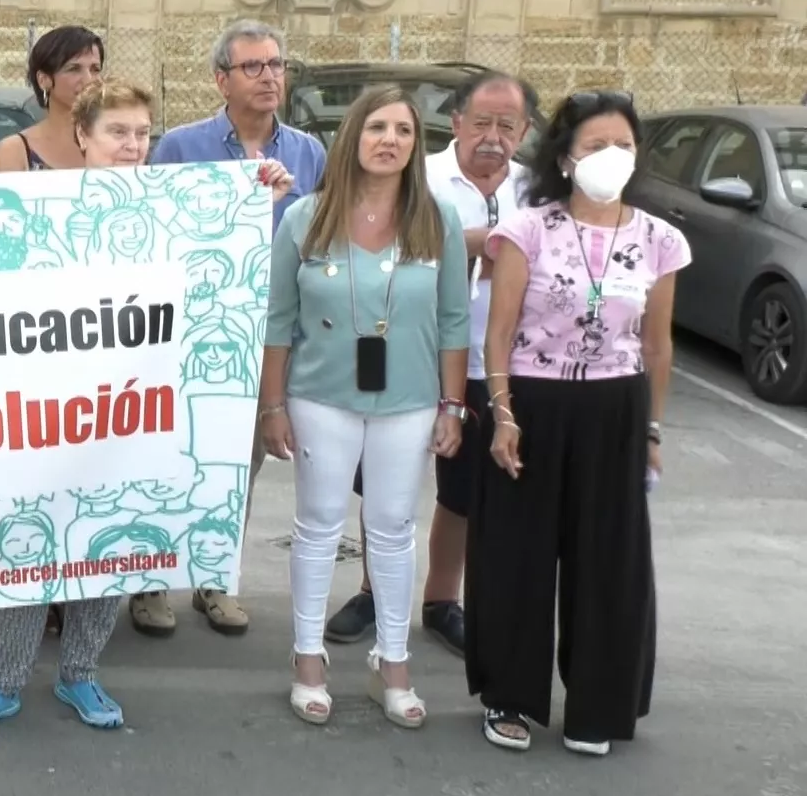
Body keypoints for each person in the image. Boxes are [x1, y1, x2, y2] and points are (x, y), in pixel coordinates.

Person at [0, 78, 292, 739]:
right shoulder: (35, 206)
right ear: (82, 136)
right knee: (28, 545)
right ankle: (1, 683)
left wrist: (257, 198)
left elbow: (223, 269)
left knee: (110, 544)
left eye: (142, 134)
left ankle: (80, 671)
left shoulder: (178, 209)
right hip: (43, 415)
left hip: (133, 415)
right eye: (117, 132)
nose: (132, 146)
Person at [471, 90, 687, 757]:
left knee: (608, 559)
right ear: (565, 157)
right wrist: (502, 415)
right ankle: (511, 697)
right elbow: (499, 336)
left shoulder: (660, 240)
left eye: (622, 145)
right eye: (595, 146)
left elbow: (657, 346)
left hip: (615, 409)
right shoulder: (528, 230)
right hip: (533, 403)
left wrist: (652, 431)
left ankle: (599, 702)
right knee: (518, 553)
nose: (610, 158)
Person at [258, 84, 470, 730]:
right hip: (321, 396)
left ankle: (394, 664)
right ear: (353, 138)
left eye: (404, 131)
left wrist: (453, 405)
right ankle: (308, 660)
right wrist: (273, 405)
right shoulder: (306, 218)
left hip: (406, 400)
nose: (390, 140)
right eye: (377, 127)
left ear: (417, 144)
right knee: (319, 524)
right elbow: (277, 319)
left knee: (393, 527)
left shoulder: (437, 219)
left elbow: (454, 318)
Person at [325, 72, 538, 655]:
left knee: (463, 491)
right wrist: (493, 242)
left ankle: (443, 599)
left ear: (522, 132)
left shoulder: (538, 190)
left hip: (501, 365)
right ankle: (372, 590)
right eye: (482, 123)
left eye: (507, 126)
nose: (492, 137)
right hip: (408, 358)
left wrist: (484, 243)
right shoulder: (418, 176)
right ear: (459, 123)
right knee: (384, 485)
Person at [139, 18, 327, 639]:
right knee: (172, 455)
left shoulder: (307, 152)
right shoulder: (179, 148)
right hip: (192, 331)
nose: (270, 76)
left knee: (238, 466)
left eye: (276, 64)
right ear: (222, 79)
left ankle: (216, 579)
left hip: (268, 336)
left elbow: (315, 239)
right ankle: (150, 583)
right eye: (253, 66)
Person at [0, 25, 102, 172]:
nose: (88, 80)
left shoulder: (115, 145)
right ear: (44, 79)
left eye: (95, 69)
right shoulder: (16, 150)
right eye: (74, 69)